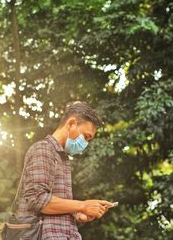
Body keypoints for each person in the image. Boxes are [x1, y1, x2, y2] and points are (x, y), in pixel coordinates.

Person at [16, 101, 116, 240]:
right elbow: (37, 199)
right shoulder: (43, 149)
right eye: (86, 136)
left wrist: (78, 214)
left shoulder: (62, 158)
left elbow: (54, 205)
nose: (85, 143)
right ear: (71, 124)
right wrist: (82, 205)